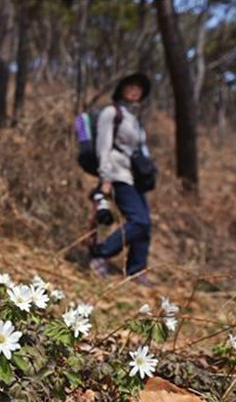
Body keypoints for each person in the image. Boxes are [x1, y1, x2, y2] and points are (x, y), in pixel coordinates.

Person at [89, 73, 153, 286]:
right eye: (131, 86)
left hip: (135, 178)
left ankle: (136, 270)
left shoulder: (134, 119)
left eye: (139, 88)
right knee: (138, 220)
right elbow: (103, 146)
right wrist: (105, 177)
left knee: (146, 225)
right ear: (122, 89)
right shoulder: (111, 113)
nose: (135, 91)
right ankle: (101, 253)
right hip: (118, 174)